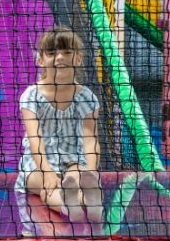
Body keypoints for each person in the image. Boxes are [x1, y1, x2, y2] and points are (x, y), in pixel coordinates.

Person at [14, 26, 103, 225]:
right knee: (48, 188)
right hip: (37, 165)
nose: (60, 57)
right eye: (52, 53)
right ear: (40, 60)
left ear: (78, 58)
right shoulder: (32, 96)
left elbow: (90, 140)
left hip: (73, 159)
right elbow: (35, 139)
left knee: (78, 179)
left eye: (67, 52)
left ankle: (91, 204)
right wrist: (46, 171)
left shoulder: (86, 97)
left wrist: (91, 170)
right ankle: (69, 207)